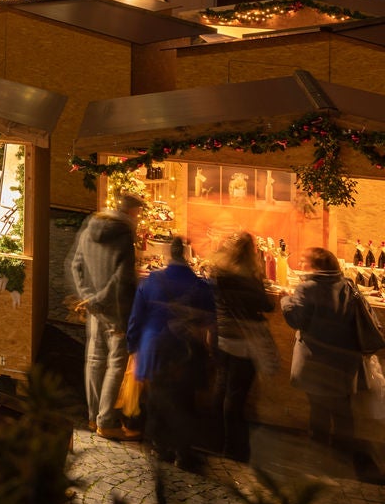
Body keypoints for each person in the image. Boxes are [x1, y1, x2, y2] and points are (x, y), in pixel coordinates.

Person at [284, 247, 385, 479]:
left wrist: (287, 300)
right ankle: (342, 459)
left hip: (315, 363)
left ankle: (319, 461)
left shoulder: (307, 288)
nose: (301, 266)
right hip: (344, 364)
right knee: (343, 414)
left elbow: (294, 318)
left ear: (316, 266)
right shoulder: (349, 286)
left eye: (303, 262)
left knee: (318, 413)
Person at [126, 235, 216, 470]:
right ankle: (183, 452)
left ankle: (160, 447)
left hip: (155, 349)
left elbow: (136, 318)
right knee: (185, 401)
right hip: (185, 352)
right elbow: (210, 322)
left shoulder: (152, 282)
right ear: (187, 257)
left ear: (168, 256)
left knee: (156, 398)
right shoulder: (200, 286)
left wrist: (132, 347)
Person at [70, 193, 145, 440]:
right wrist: (100, 299)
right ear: (133, 212)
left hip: (93, 309)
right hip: (116, 310)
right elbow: (121, 278)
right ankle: (107, 421)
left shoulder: (91, 225)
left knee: (94, 359)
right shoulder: (123, 235)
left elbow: (76, 265)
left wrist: (88, 297)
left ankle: (93, 417)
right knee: (115, 364)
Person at [208, 231, 277, 463]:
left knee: (222, 386)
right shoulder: (248, 277)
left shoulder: (218, 272)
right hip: (243, 340)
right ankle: (234, 448)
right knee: (236, 394)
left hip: (221, 334)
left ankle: (213, 440)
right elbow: (266, 305)